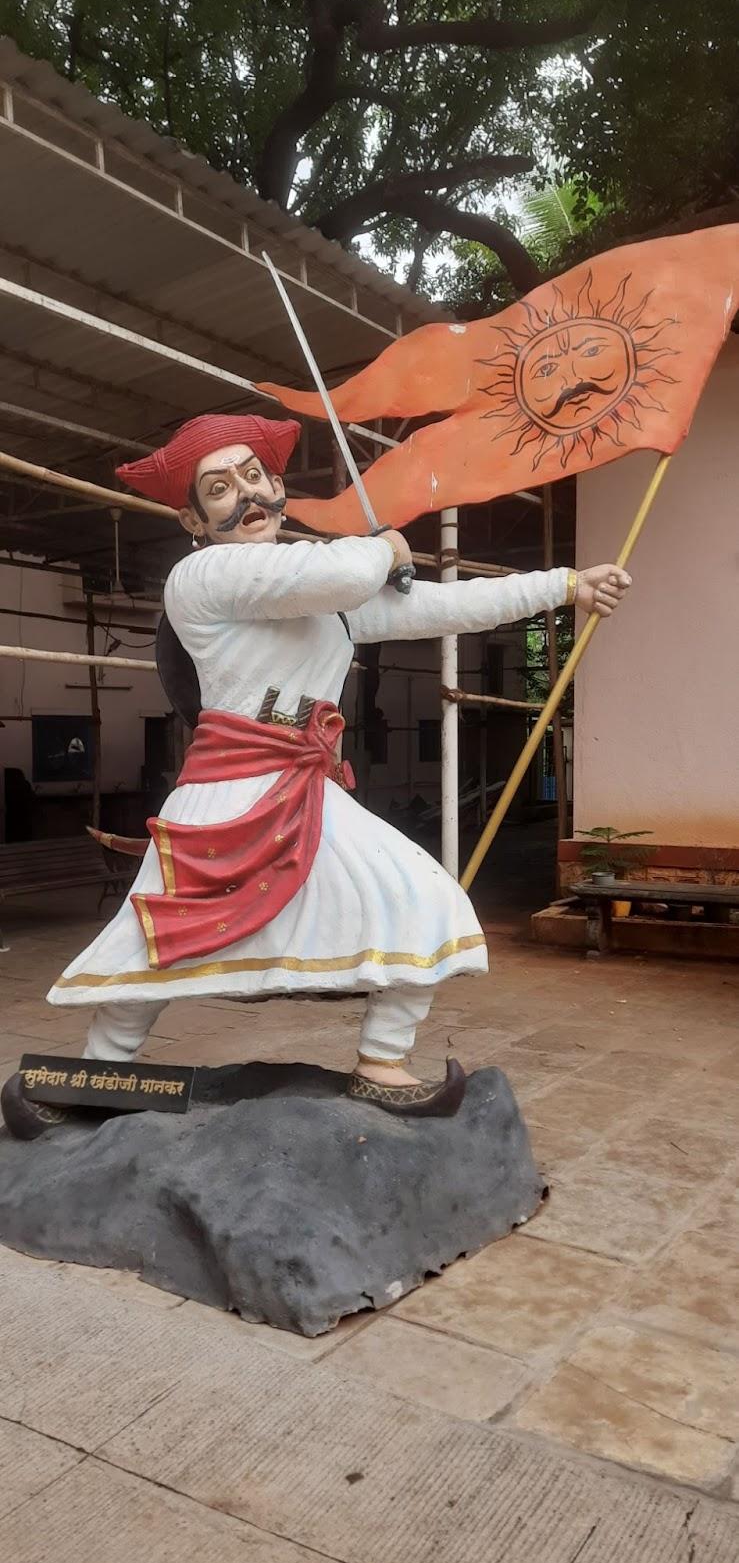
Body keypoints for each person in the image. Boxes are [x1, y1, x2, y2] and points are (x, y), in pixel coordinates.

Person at [23, 413, 632, 1128]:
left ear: (279, 486)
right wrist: (386, 544)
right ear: (193, 516)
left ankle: (380, 1061)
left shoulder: (325, 598)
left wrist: (563, 585)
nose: (245, 496)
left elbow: (444, 605)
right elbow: (347, 571)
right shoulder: (204, 573)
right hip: (226, 787)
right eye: (219, 488)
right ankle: (100, 1070)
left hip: (306, 786)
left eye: (253, 476)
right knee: (164, 939)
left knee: (422, 898)